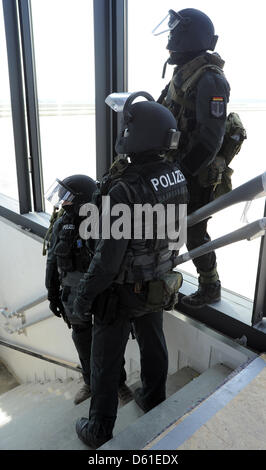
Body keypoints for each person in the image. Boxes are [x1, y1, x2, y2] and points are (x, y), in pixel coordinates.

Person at [72, 91, 188, 449]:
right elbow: (175, 234)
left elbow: (108, 259)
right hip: (156, 284)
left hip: (120, 292)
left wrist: (85, 296)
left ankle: (99, 430)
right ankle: (154, 399)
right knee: (154, 343)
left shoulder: (125, 188)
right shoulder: (176, 175)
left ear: (135, 135)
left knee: (105, 363)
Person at [154, 8, 231, 308]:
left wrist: (182, 173)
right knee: (168, 226)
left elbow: (210, 140)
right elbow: (163, 106)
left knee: (194, 230)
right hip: (175, 165)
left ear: (189, 36)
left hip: (194, 171)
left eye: (176, 32)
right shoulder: (185, 71)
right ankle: (161, 279)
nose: (171, 38)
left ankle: (210, 285)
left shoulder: (210, 80)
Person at [44, 174, 129, 405]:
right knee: (83, 340)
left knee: (108, 341)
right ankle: (90, 383)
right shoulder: (62, 223)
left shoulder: (103, 222)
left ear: (82, 199)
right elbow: (52, 259)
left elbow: (111, 260)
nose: (63, 203)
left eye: (68, 199)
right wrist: (52, 293)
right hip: (72, 295)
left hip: (100, 292)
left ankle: (119, 383)